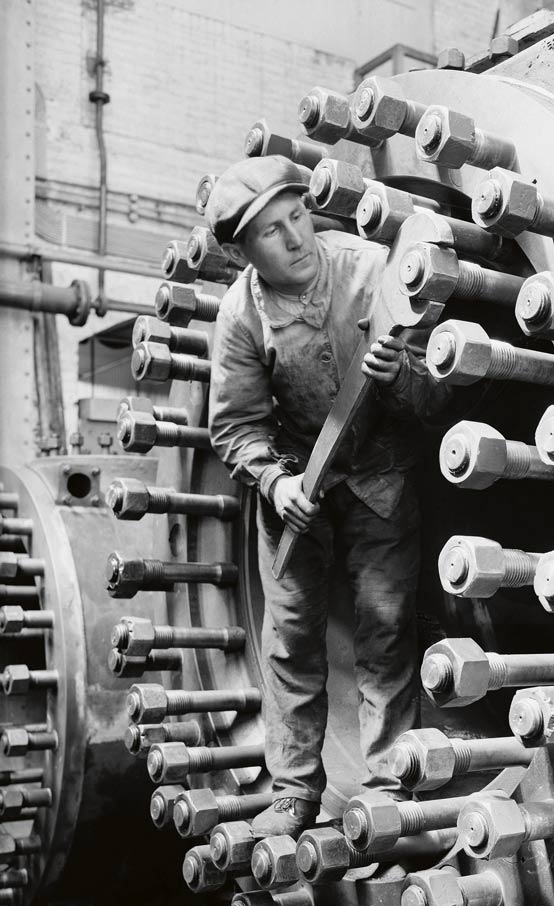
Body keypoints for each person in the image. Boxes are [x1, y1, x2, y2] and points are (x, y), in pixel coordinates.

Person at [206, 156, 448, 838]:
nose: (296, 239)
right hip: (295, 486)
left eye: (297, 216)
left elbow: (438, 402)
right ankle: (293, 793)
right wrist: (275, 481)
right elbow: (234, 426)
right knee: (289, 638)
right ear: (242, 254)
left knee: (385, 626)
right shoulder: (240, 316)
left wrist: (402, 376)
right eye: (271, 232)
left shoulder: (372, 272)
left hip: (378, 475)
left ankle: (388, 783)